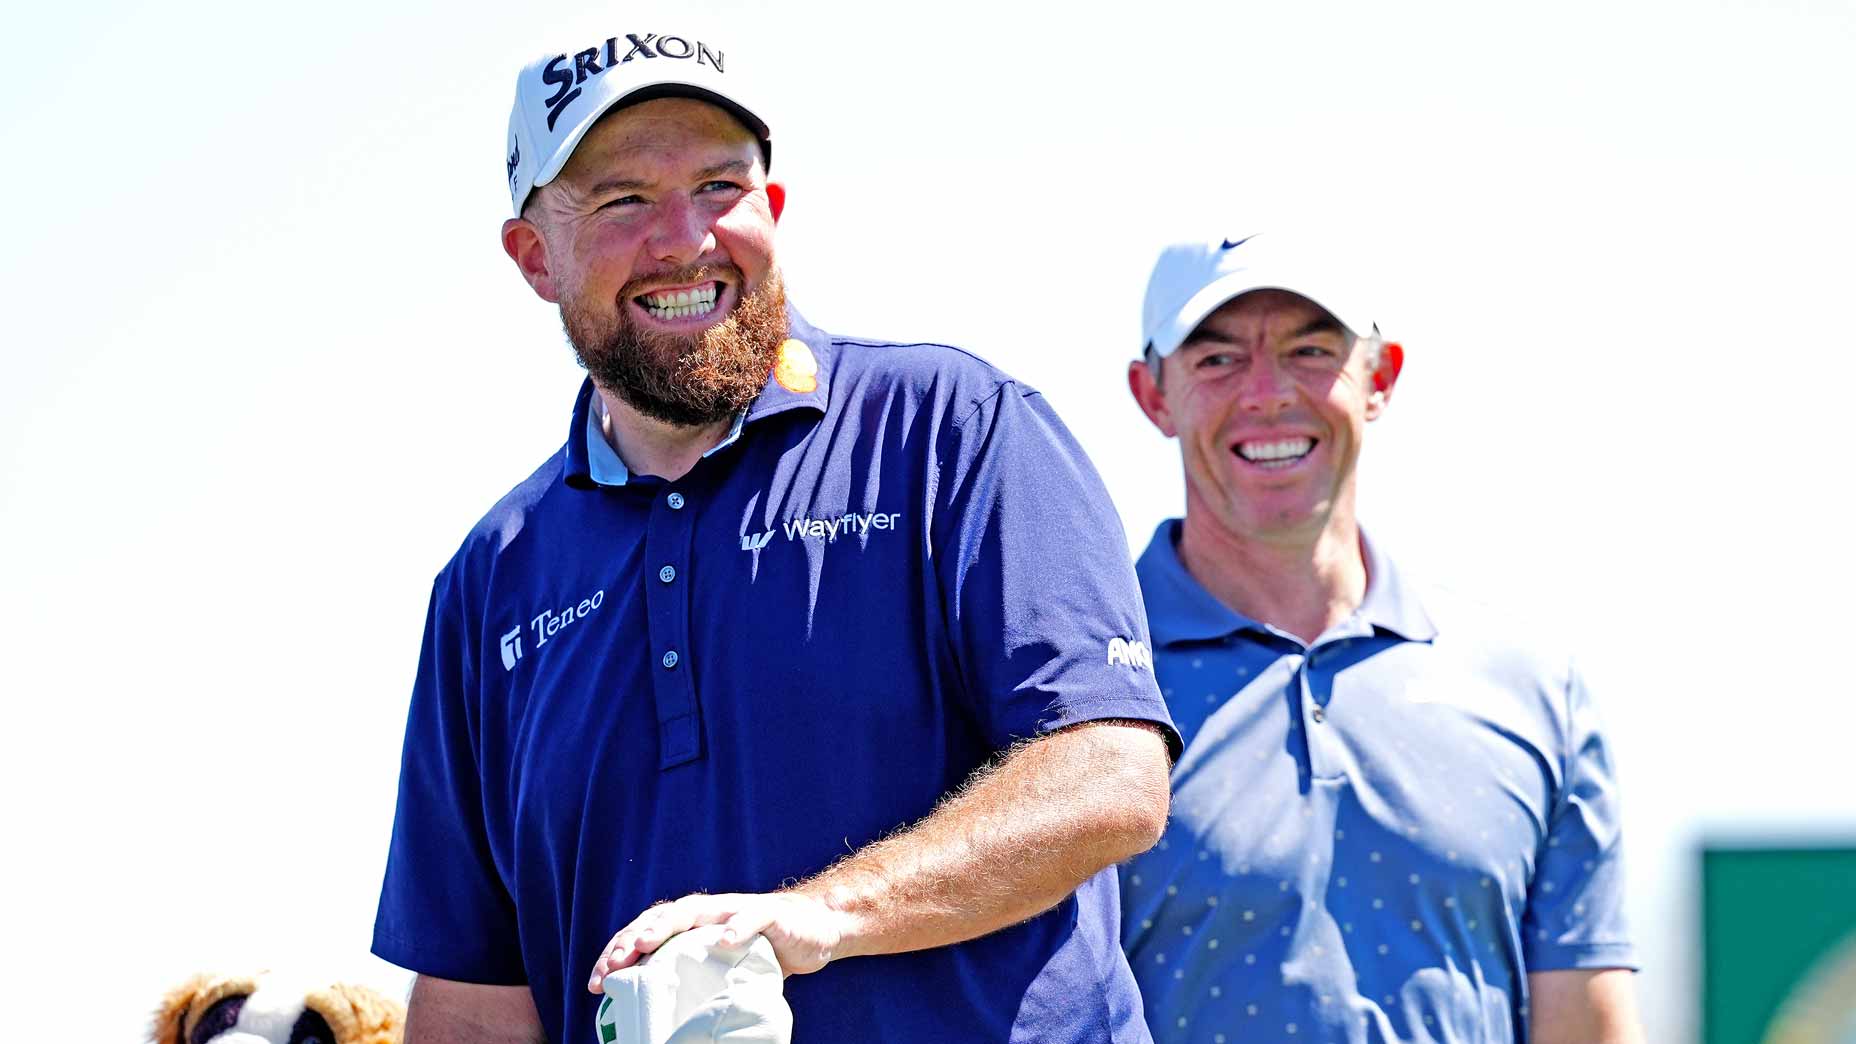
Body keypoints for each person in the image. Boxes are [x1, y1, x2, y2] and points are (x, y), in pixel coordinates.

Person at [370, 24, 1180, 1044]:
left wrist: (821, 916)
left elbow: (1107, 777)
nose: (684, 238)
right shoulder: (490, 582)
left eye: (719, 187)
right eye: (625, 200)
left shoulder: (952, 429)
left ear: (772, 208)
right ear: (533, 257)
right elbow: (475, 1005)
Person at [1117, 232, 1644, 1043]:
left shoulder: (1534, 688)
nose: (1266, 393)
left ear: (1381, 378)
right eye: (1217, 360)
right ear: (1152, 395)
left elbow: (1586, 1019)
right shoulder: (1071, 692)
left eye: (1311, 350)